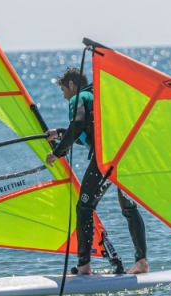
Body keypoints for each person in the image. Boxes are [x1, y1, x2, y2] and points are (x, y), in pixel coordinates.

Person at [45, 67, 149, 276]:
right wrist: (60, 133)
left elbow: (79, 125)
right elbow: (89, 131)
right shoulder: (96, 97)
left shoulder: (78, 98)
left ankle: (84, 265)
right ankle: (141, 263)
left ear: (72, 85)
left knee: (84, 208)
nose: (65, 96)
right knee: (128, 208)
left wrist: (58, 151)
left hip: (107, 159)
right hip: (126, 157)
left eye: (64, 90)